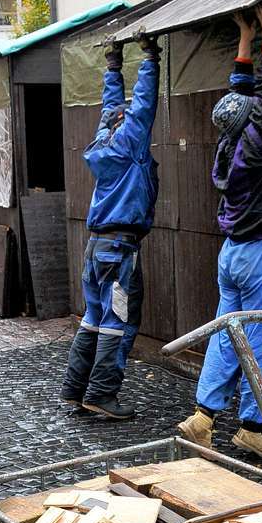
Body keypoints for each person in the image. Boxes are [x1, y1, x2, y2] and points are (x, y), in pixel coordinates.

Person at [178, 5, 262, 458]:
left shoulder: (230, 141)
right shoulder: (258, 144)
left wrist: (245, 40)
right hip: (261, 255)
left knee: (226, 334)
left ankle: (203, 417)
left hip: (232, 254)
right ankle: (254, 428)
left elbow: (242, 94)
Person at [61, 35, 160, 420]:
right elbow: (145, 106)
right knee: (117, 323)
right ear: (127, 123)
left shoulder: (103, 140)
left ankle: (74, 389)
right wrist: (151, 57)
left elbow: (110, 107)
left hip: (97, 247)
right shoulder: (131, 143)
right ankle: (101, 394)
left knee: (93, 317)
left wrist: (113, 66)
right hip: (120, 248)